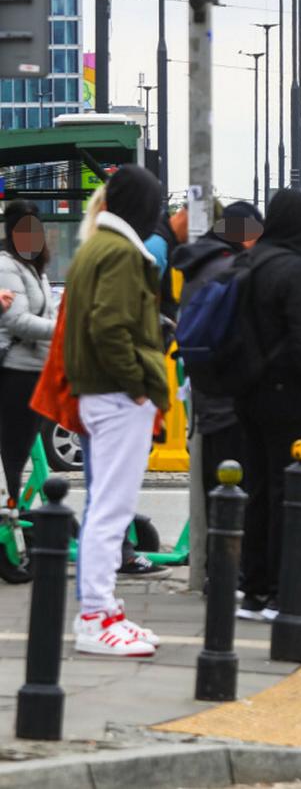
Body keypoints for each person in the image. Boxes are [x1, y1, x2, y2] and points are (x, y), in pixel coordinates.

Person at [63, 165, 169, 657]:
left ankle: (100, 611)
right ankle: (96, 616)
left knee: (105, 508)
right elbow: (111, 328)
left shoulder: (95, 248)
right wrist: (139, 387)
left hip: (101, 393)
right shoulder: (124, 253)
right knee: (112, 509)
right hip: (117, 395)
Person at [235, 189, 301, 621]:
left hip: (248, 394)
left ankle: (254, 590)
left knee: (258, 491)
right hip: (292, 397)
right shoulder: (298, 270)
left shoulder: (249, 263)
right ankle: (284, 592)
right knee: (294, 494)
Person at [173, 200, 263, 500]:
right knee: (233, 505)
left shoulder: (199, 265)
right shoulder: (229, 270)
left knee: (218, 502)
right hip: (231, 408)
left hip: (206, 403)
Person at [0, 201, 56, 507]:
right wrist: (61, 329)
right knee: (14, 451)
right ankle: (11, 514)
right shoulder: (6, 266)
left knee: (23, 447)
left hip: (37, 369)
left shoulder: (36, 270)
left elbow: (48, 312)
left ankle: (17, 511)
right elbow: (17, 320)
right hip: (15, 371)